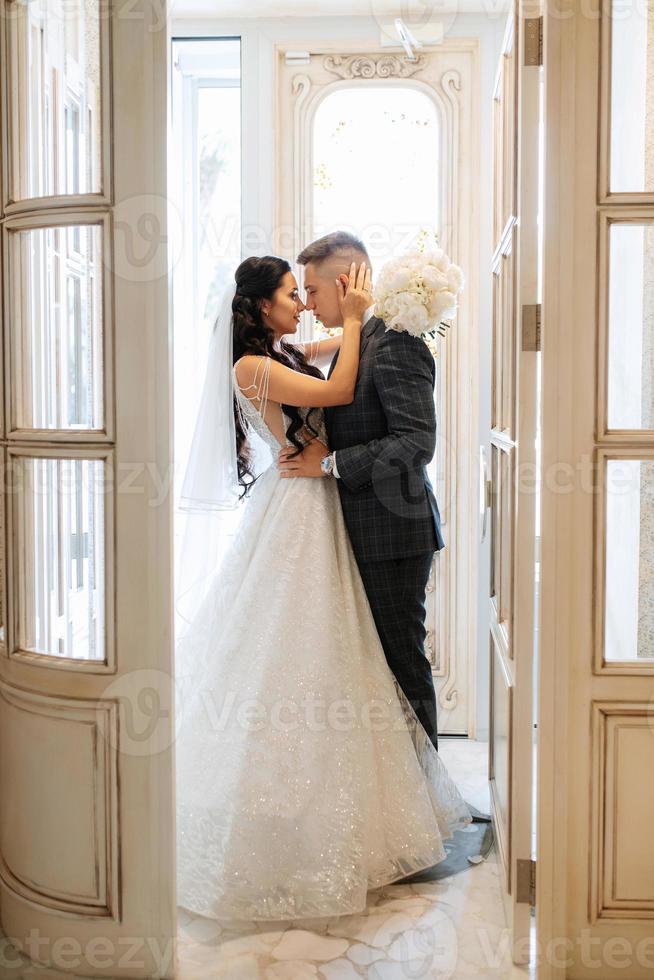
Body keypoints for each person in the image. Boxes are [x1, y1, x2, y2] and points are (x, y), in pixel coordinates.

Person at [175, 254, 471, 923]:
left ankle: (391, 802)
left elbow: (342, 356)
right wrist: (360, 316)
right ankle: (288, 809)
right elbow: (337, 392)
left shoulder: (284, 349)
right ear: (258, 306)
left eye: (309, 288)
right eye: (291, 292)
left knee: (353, 657)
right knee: (295, 656)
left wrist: (373, 314)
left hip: (322, 502)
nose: (303, 302)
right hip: (300, 506)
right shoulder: (252, 366)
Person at [279, 231, 444, 752]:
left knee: (402, 662)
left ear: (345, 282)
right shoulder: (359, 339)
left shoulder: (394, 341)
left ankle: (428, 792)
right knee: (379, 667)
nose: (306, 303)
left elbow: (416, 441)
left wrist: (328, 463)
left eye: (312, 290)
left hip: (393, 534)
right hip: (369, 531)